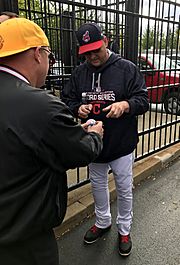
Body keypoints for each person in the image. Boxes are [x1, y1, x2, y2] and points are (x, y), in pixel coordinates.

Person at [0, 18, 104, 265]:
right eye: (50, 57)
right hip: (24, 241)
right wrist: (94, 135)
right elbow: (80, 152)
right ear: (38, 54)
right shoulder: (40, 105)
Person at [62, 22, 149, 257]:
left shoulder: (127, 69)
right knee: (98, 186)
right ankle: (103, 222)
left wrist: (125, 104)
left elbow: (143, 100)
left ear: (106, 41)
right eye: (86, 52)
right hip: (94, 144)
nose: (92, 56)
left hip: (121, 144)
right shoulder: (80, 72)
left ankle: (124, 229)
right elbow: (67, 99)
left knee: (123, 187)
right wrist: (78, 108)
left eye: (95, 50)